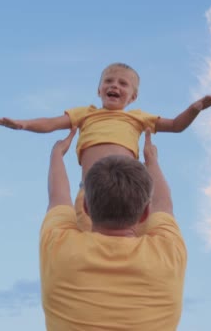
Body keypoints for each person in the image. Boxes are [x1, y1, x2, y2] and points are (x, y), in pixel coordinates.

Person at [0, 62, 211, 229]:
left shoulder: (138, 118)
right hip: (92, 191)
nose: (115, 86)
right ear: (99, 89)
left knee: (134, 233)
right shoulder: (86, 114)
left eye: (123, 84)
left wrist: (195, 109)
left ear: (133, 97)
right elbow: (51, 123)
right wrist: (23, 124)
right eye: (109, 81)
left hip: (129, 190)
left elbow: (175, 125)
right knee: (87, 233)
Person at [40, 127, 186, 330]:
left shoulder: (58, 247)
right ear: (145, 214)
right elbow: (164, 203)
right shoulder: (168, 252)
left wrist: (56, 154)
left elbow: (58, 197)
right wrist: (152, 160)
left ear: (85, 208)